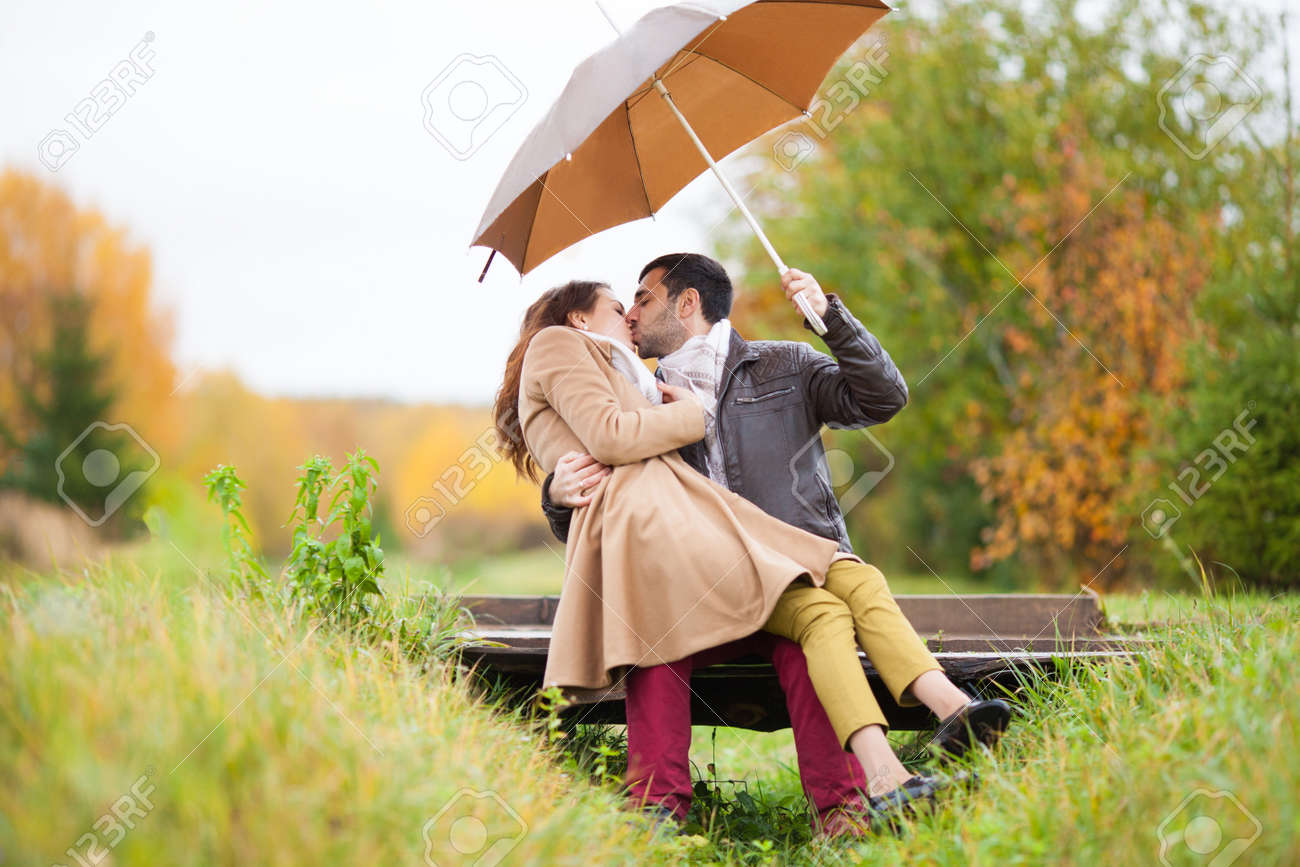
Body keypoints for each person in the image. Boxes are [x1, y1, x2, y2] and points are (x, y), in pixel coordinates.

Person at [496, 262, 1009, 831]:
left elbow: (883, 398)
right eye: (623, 305)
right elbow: (608, 490)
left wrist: (830, 318)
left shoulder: (785, 364)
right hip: (691, 581)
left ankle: (856, 801)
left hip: (780, 559)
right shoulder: (641, 386)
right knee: (657, 639)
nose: (633, 314)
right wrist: (555, 495)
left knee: (832, 608)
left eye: (642, 298)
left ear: (686, 302)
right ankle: (656, 812)